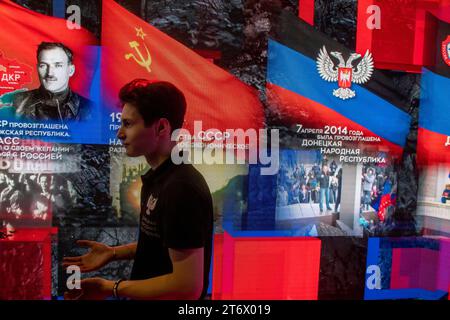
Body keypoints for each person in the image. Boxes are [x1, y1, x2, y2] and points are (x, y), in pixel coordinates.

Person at [63, 79, 213, 300]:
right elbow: (162, 244)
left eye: (128, 124)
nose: (119, 134)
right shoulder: (160, 178)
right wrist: (113, 253)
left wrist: (111, 287)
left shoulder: (181, 188)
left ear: (161, 127)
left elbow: (187, 286)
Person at [9, 42, 93, 122]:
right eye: (43, 65)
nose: (49, 73)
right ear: (37, 68)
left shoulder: (91, 109)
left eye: (58, 65)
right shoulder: (14, 102)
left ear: (70, 70)